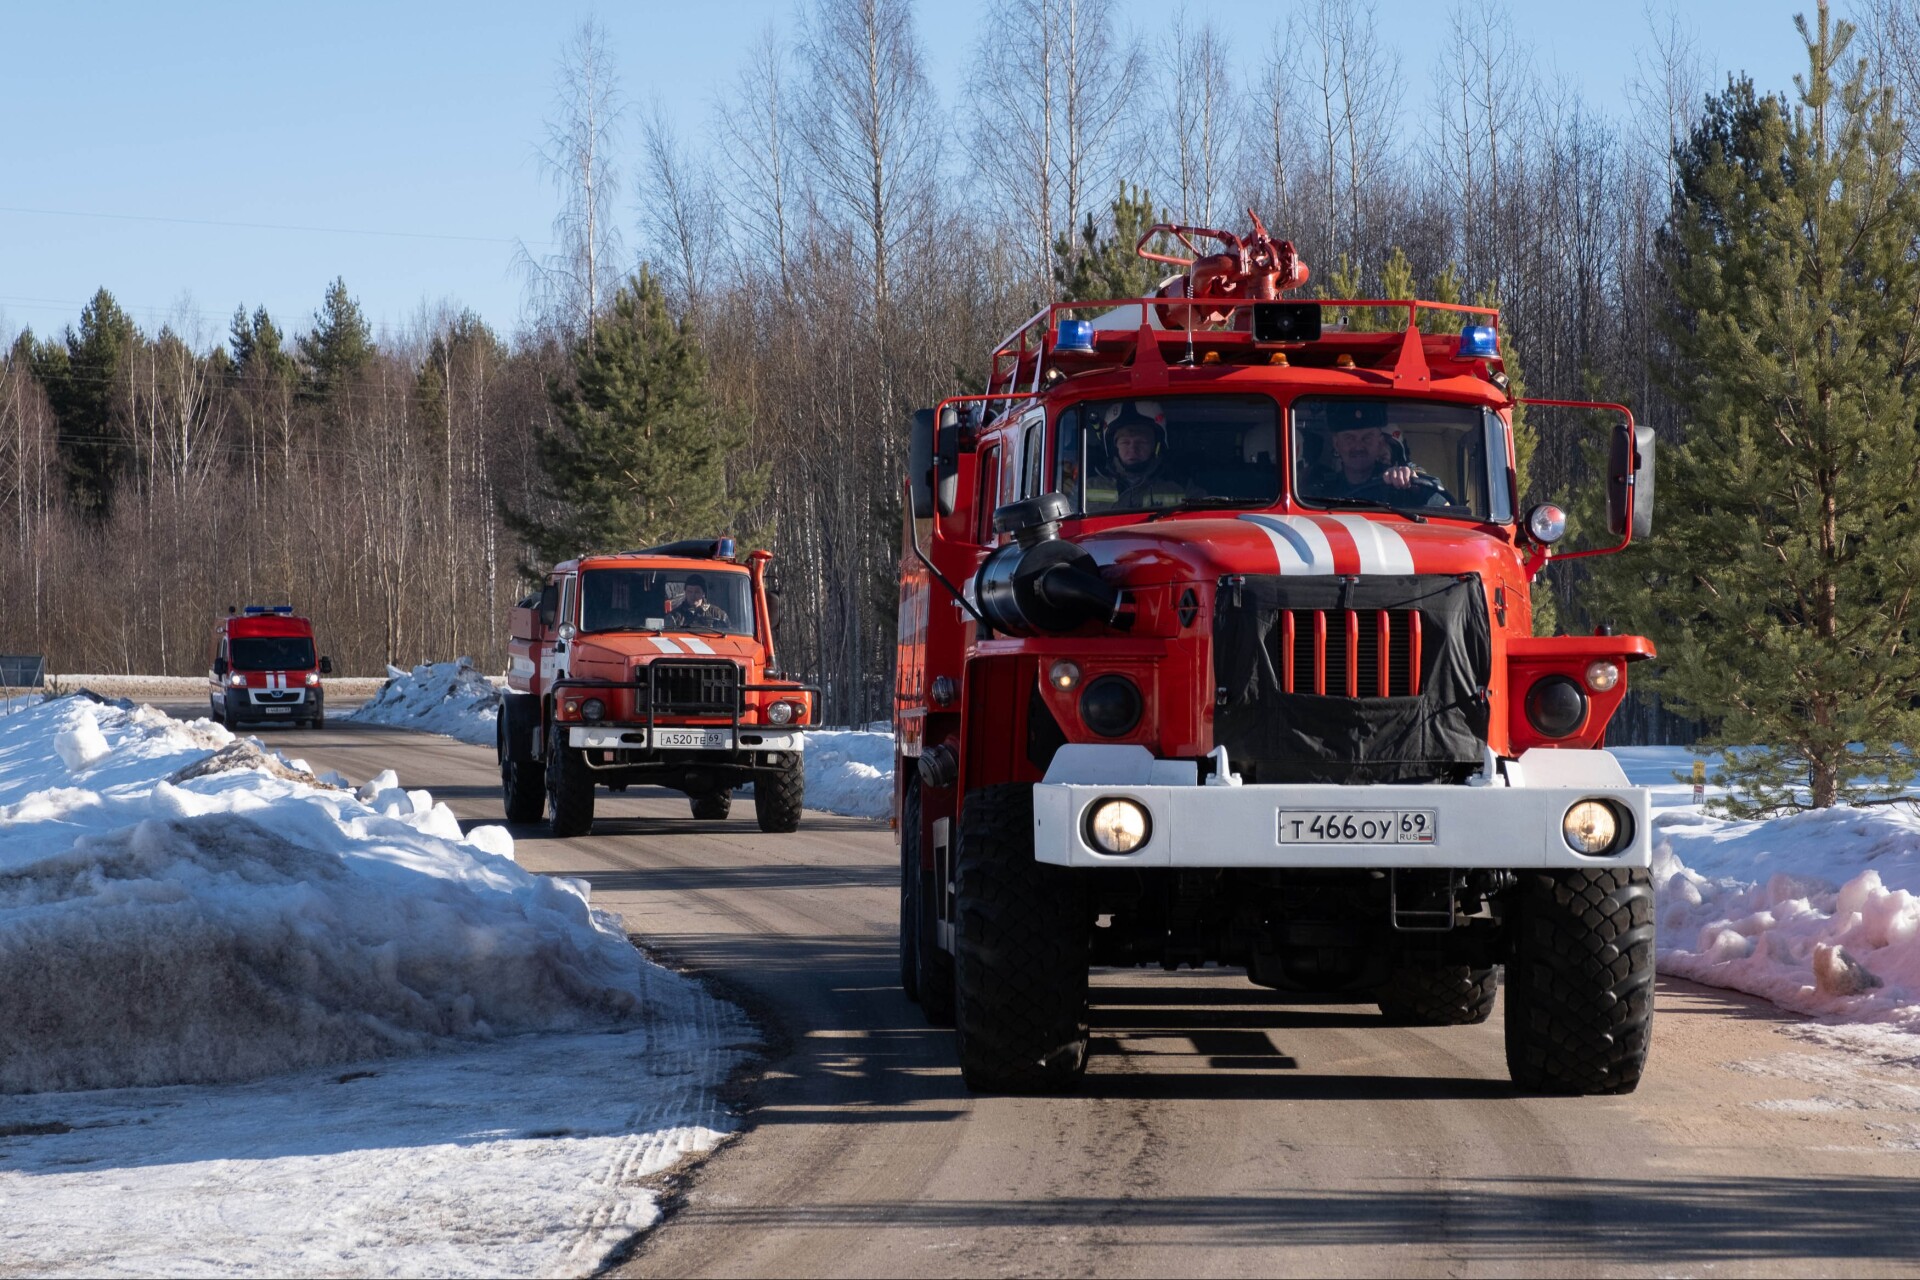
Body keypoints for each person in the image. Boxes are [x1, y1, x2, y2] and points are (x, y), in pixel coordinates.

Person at [1304, 403, 1446, 506]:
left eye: (1367, 437)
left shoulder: (1398, 484)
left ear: (1380, 442)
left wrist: (1415, 485)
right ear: (1336, 444)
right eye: (1349, 438)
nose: (1358, 446)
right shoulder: (1323, 490)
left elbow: (1442, 501)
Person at [1085, 404, 1196, 511]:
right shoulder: (1085, 489)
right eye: (1125, 442)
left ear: (1156, 446)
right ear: (1113, 447)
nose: (1133, 449)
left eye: (1142, 442)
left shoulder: (1181, 487)